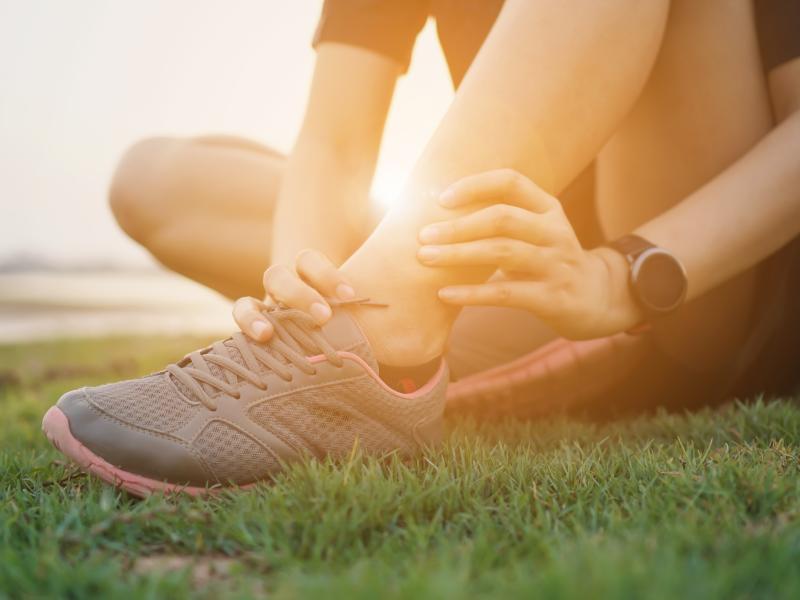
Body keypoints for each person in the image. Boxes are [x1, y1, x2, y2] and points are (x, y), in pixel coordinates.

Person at [41, 0, 799, 495]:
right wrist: (302, 283)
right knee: (155, 181)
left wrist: (621, 273)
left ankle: (393, 315)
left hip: (695, 289)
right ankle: (351, 342)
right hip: (515, 279)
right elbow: (336, 143)